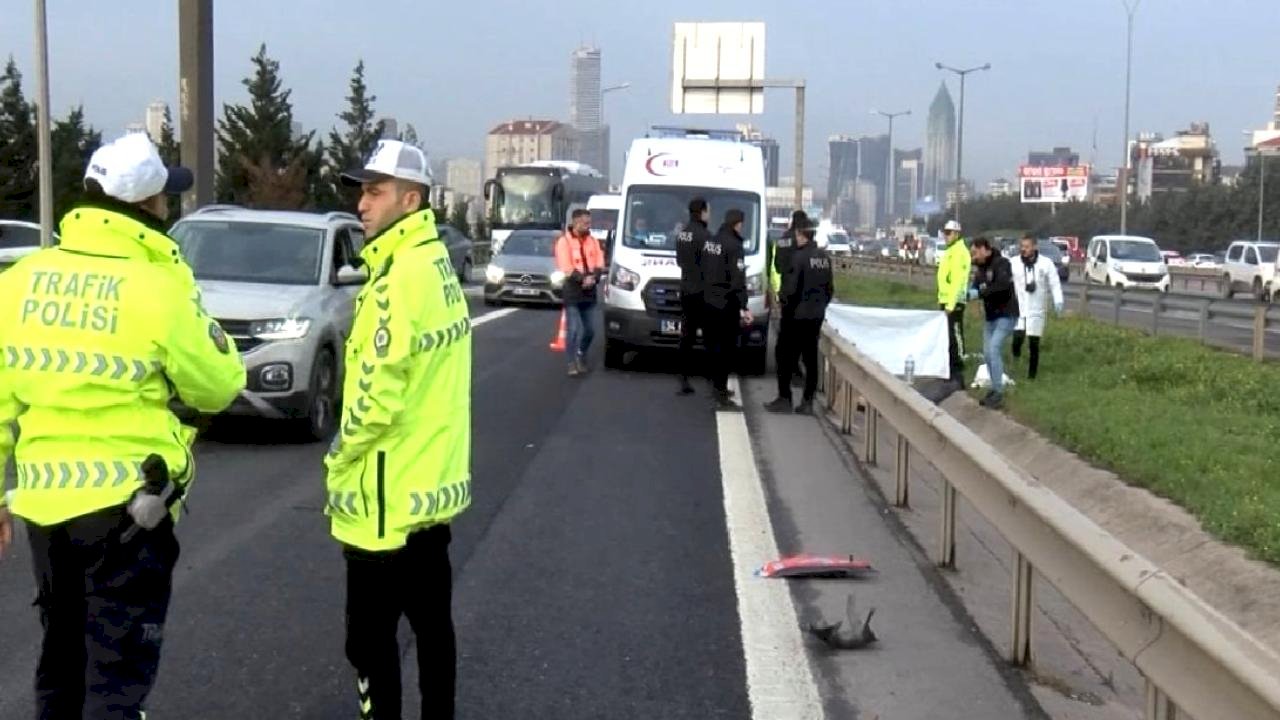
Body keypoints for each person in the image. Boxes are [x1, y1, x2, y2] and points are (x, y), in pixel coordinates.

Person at [0, 132, 246, 719]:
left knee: (61, 661)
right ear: (149, 204)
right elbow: (217, 385)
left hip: (45, 509)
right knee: (116, 676)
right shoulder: (159, 284)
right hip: (128, 508)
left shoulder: (20, 280)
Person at [328, 139, 472, 719]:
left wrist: (338, 458)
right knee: (434, 634)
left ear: (410, 200)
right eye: (361, 192)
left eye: (375, 192)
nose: (361, 205)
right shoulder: (436, 266)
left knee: (367, 643)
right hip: (428, 499)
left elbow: (372, 400)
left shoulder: (394, 281)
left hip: (383, 506)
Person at [766, 220, 833, 415]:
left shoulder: (798, 257)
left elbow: (791, 289)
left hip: (796, 316)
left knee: (784, 356)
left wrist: (783, 302)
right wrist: (819, 307)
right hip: (816, 316)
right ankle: (807, 401)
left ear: (800, 235)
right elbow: (829, 290)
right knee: (811, 359)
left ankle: (784, 398)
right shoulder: (824, 258)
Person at [701, 209, 752, 411]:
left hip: (708, 301)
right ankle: (721, 395)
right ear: (738, 224)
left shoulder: (711, 242)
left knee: (712, 347)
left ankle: (716, 387)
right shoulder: (734, 245)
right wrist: (744, 306)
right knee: (726, 350)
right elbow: (738, 279)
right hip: (726, 304)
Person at [554, 209, 606, 377]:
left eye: (589, 222)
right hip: (573, 291)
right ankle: (571, 362)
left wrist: (594, 277)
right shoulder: (564, 242)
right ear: (576, 222)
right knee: (574, 329)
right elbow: (566, 266)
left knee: (590, 331)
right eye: (585, 223)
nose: (588, 225)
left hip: (589, 292)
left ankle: (581, 353)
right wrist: (582, 279)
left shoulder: (593, 241)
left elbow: (599, 262)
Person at [969, 237, 1019, 409]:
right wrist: (970, 292)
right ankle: (994, 387)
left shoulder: (1002, 264)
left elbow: (1002, 287)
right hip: (990, 317)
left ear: (984, 249)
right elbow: (976, 286)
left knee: (994, 349)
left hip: (1006, 314)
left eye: (975, 252)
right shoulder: (980, 270)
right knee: (987, 353)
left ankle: (998, 392)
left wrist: (980, 293)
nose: (974, 256)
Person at [1011, 235, 1064, 380]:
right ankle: (1015, 358)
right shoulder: (1014, 263)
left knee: (1034, 343)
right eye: (1022, 246)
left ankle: (1031, 375)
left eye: (1027, 247)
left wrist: (1058, 300)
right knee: (1017, 338)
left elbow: (1054, 283)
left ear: (1034, 247)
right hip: (1019, 307)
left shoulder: (1046, 264)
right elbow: (1004, 278)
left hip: (1036, 309)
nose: (1023, 249)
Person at [676, 197, 712, 395]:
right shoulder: (705, 236)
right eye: (708, 211)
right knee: (710, 336)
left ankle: (683, 377)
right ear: (702, 212)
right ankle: (713, 379)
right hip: (703, 291)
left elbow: (679, 261)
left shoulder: (682, 234)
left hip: (686, 289)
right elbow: (712, 265)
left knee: (687, 335)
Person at [770, 210, 809, 389]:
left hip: (786, 292)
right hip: (803, 294)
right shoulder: (804, 241)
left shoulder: (783, 239)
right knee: (801, 335)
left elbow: (777, 266)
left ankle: (784, 367)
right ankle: (796, 369)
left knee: (786, 332)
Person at [936, 219, 971, 390]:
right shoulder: (950, 250)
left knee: (954, 335)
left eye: (949, 233)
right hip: (946, 300)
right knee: (947, 337)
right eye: (945, 233)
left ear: (957, 234)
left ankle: (958, 371)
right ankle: (950, 369)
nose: (946, 236)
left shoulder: (959, 252)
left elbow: (957, 281)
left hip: (954, 302)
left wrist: (950, 304)